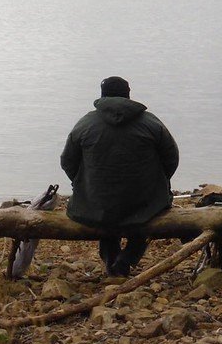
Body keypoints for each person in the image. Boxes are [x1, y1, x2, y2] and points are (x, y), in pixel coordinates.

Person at [60, 76, 179, 277]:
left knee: (104, 215)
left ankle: (111, 259)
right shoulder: (151, 122)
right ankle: (127, 258)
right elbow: (171, 159)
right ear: (128, 94)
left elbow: (67, 162)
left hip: (97, 202)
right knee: (147, 217)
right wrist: (158, 184)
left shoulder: (85, 124)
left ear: (102, 95)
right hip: (145, 201)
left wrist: (85, 186)